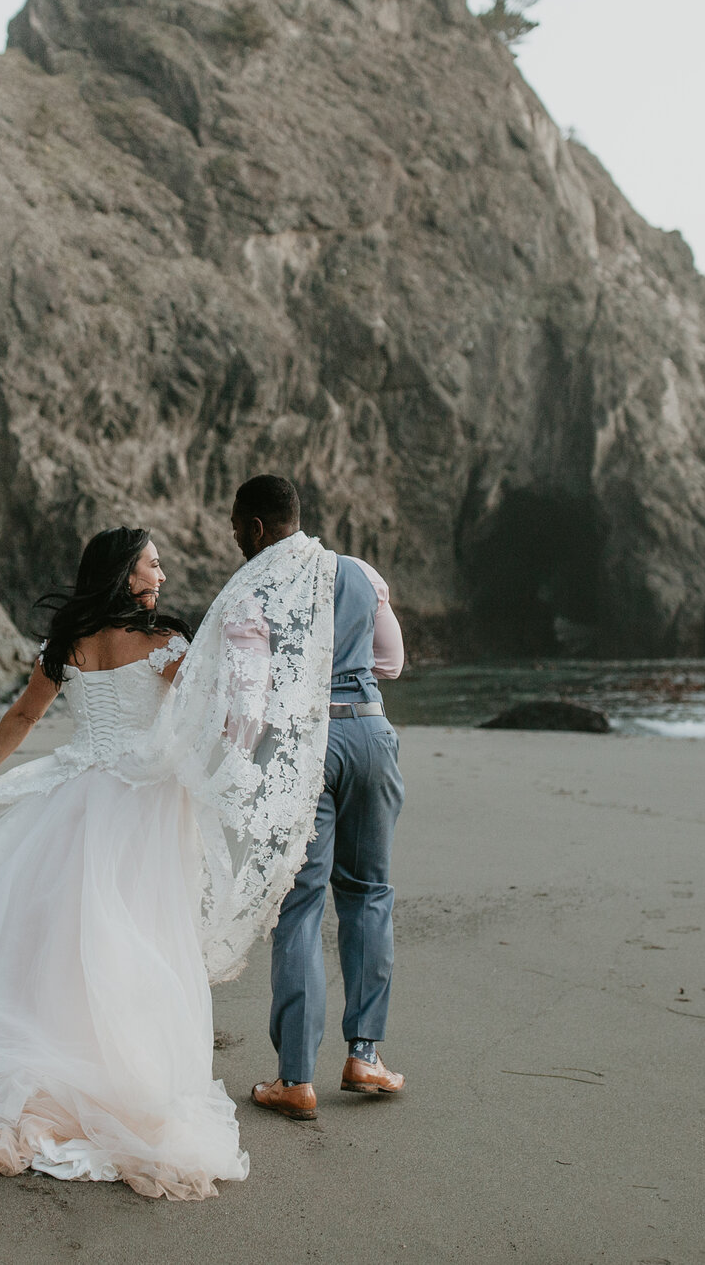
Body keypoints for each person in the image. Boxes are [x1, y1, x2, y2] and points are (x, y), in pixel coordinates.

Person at [0, 518, 337, 1200]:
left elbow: (22, 717)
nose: (161, 574)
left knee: (52, 939)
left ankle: (40, 1061)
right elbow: (221, 708)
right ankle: (110, 1074)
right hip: (140, 810)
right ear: (129, 574)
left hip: (73, 799)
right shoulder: (164, 642)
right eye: (153, 565)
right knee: (131, 941)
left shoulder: (68, 643)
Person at [237, 474, 410, 1121]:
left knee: (301, 904)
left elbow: (248, 692)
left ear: (256, 527)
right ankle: (365, 1052)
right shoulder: (359, 572)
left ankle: (295, 1078)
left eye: (235, 528)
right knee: (368, 892)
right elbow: (391, 662)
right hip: (369, 734)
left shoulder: (258, 585)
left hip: (308, 744)